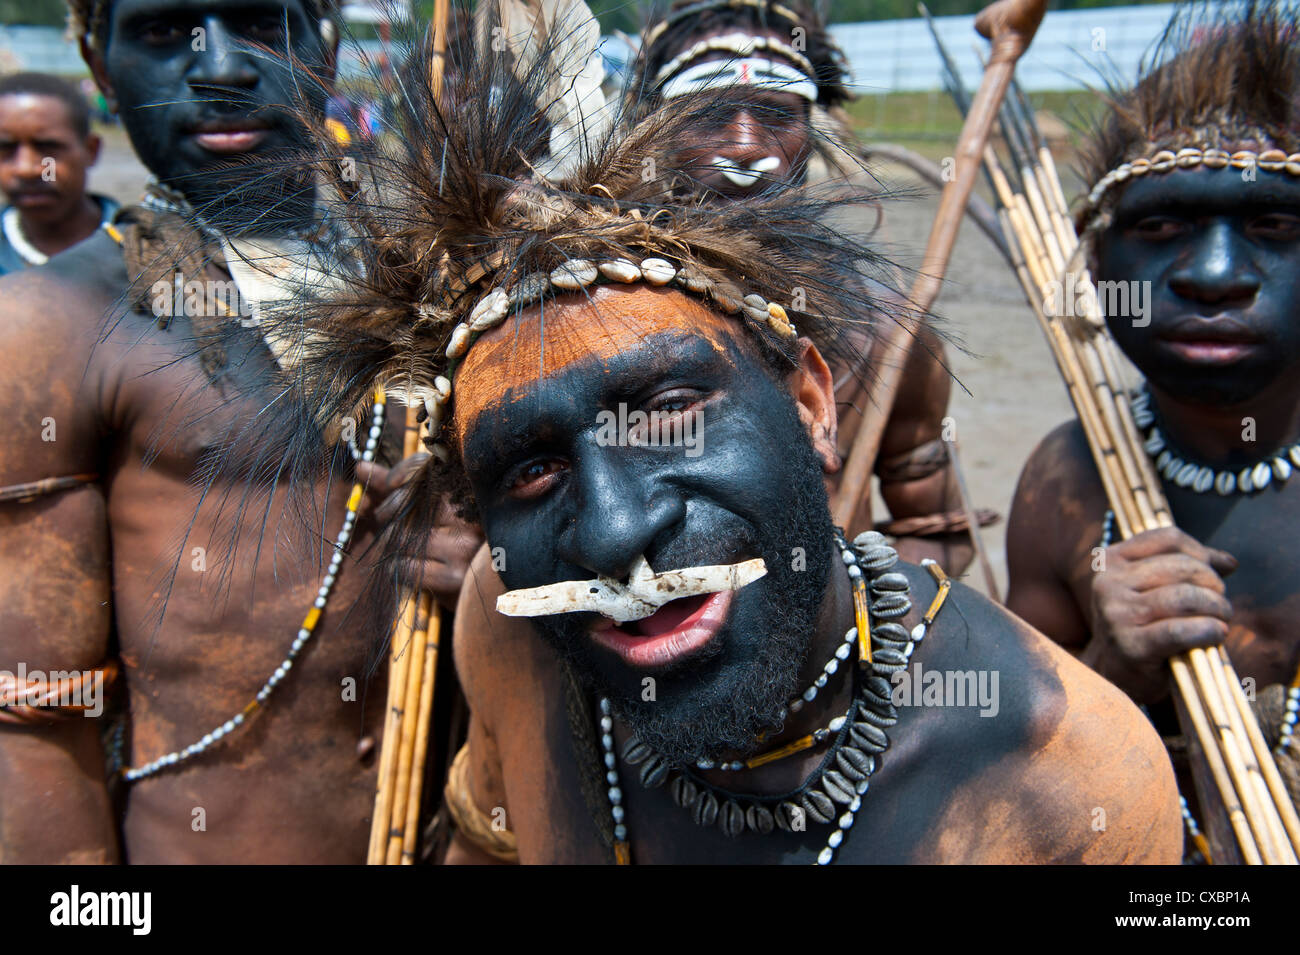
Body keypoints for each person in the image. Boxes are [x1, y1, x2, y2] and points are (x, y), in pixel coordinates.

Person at [188, 0, 1180, 864]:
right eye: (528, 467)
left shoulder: (1068, 777)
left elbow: (934, 522)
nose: (616, 530)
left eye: (669, 413)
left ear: (810, 400)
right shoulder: (514, 627)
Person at [0, 0, 477, 863]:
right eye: (159, 31)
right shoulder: (48, 324)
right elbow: (30, 712)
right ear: (101, 70)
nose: (219, 66)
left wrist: (503, 557)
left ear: (324, 49)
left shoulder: (457, 277)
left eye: (261, 22)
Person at [1004, 0, 1300, 860]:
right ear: (1097, 268)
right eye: (1161, 226)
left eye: (1273, 225)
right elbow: (1018, 765)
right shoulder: (1064, 482)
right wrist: (1114, 660)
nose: (1213, 275)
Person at [629, 0, 983, 571]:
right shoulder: (586, 306)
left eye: (775, 114)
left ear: (811, 133)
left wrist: (882, 620)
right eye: (709, 113)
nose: (746, 146)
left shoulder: (884, 329)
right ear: (653, 130)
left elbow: (938, 532)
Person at [0, 72, 117, 274]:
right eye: (6, 149)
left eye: (47, 148)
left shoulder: (145, 250)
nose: (26, 169)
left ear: (91, 150)